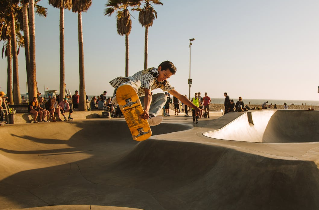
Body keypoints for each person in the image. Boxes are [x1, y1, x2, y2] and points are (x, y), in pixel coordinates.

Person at [109, 61, 200, 126]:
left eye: (167, 77)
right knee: (136, 82)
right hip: (124, 90)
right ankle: (121, 95)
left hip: (136, 99)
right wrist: (146, 109)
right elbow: (148, 93)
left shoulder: (163, 83)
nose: (165, 78)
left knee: (163, 97)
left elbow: (179, 96)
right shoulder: (150, 74)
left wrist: (195, 107)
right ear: (159, 69)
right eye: (164, 75)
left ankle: (150, 117)